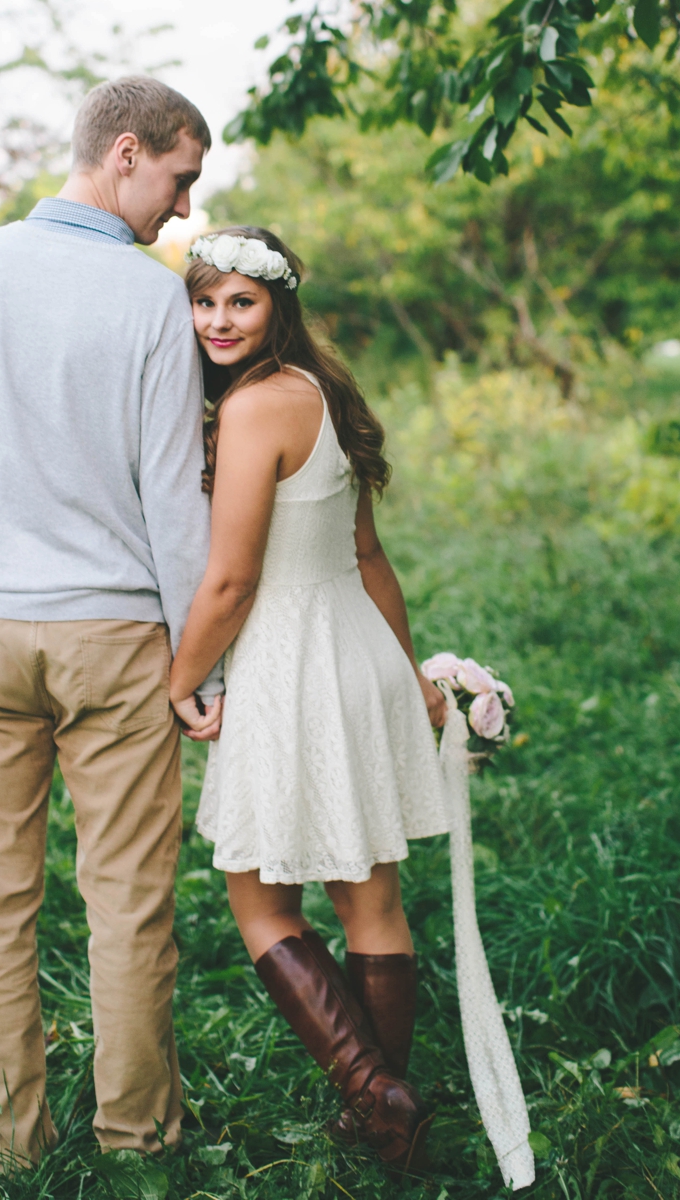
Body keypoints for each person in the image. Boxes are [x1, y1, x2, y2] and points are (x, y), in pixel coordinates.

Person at [0, 76, 223, 1169]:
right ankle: (135, 1140)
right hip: (118, 641)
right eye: (179, 180)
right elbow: (174, 501)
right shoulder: (149, 299)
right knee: (128, 903)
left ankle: (9, 1149)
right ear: (127, 152)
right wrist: (195, 663)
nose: (181, 210)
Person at [169, 226, 450, 1170]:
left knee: (262, 905)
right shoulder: (324, 394)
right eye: (203, 300)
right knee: (371, 899)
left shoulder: (252, 409)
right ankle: (388, 1118)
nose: (217, 319)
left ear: (277, 306)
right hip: (356, 652)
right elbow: (369, 556)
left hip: (291, 662)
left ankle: (377, 1094)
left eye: (240, 302)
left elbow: (232, 581)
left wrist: (179, 683)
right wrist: (404, 674)